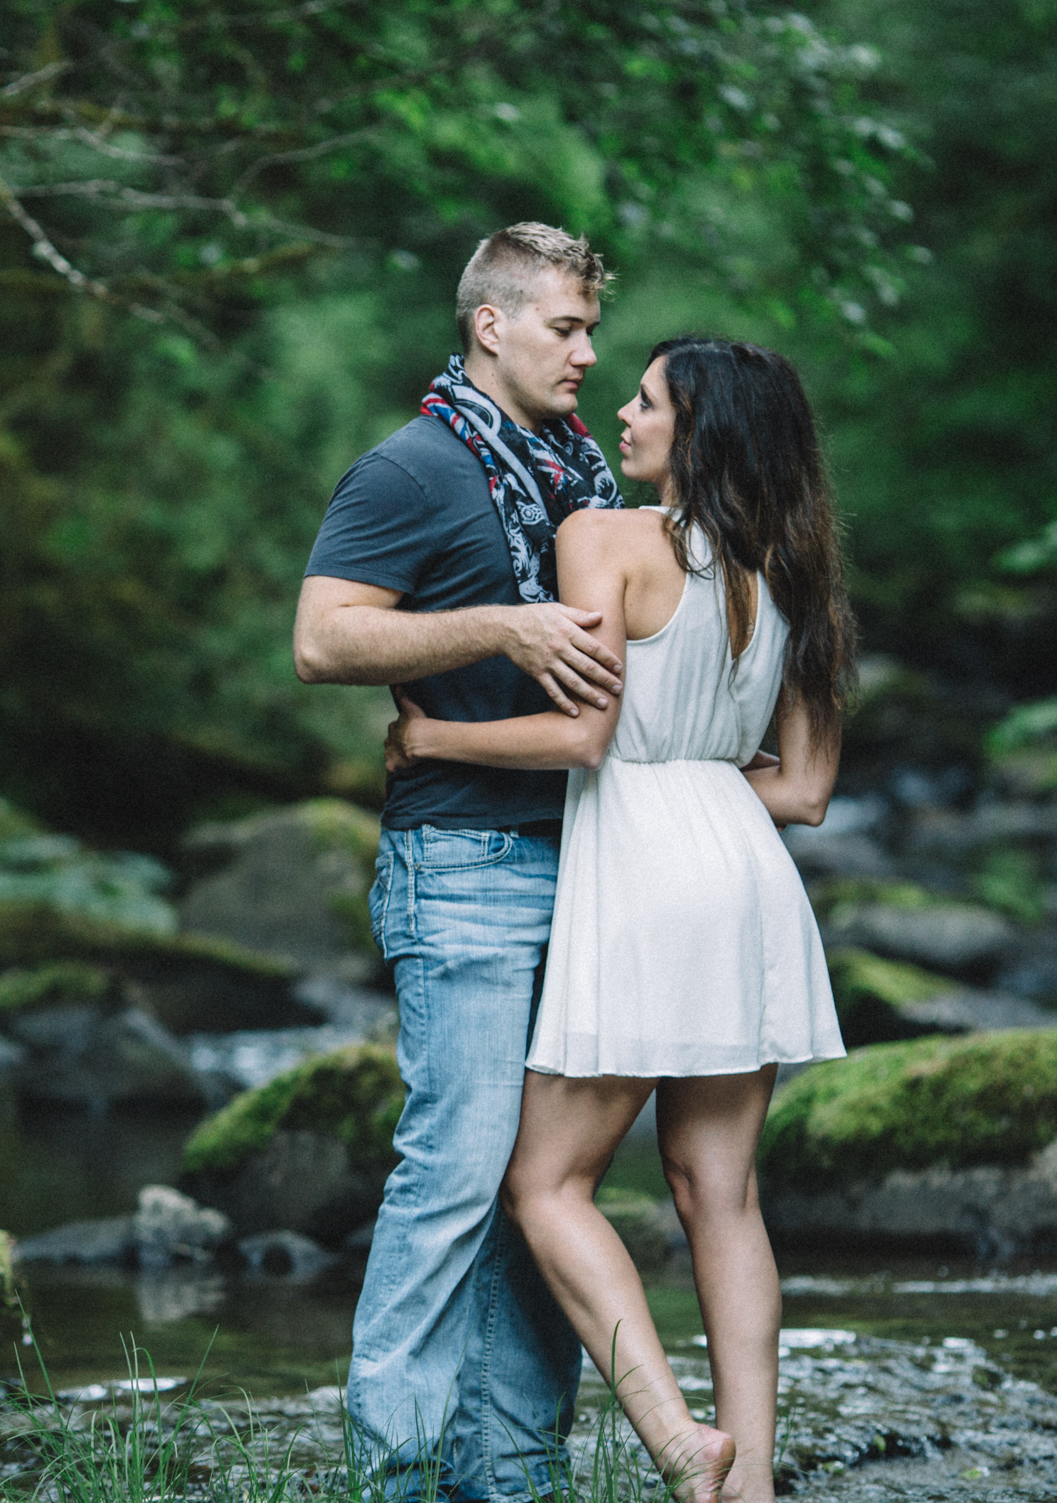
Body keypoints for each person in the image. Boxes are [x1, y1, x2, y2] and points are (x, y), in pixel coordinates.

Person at [383, 338, 853, 1503]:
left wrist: (430, 736)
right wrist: (697, 772)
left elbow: (582, 737)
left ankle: (674, 1437)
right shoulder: (797, 569)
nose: (621, 418)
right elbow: (802, 791)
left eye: (645, 402)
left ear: (696, 429)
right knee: (723, 1193)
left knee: (544, 1185)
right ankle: (752, 1483)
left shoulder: (602, 540)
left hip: (643, 878)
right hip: (746, 878)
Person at [292, 222, 629, 1501]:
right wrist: (504, 622)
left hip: (589, 865)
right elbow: (323, 641)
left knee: (542, 1192)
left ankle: (514, 1479)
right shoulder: (411, 468)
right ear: (491, 324)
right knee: (454, 1176)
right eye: (564, 327)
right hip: (466, 861)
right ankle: (398, 1480)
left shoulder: (579, 472)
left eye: (592, 329)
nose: (587, 352)